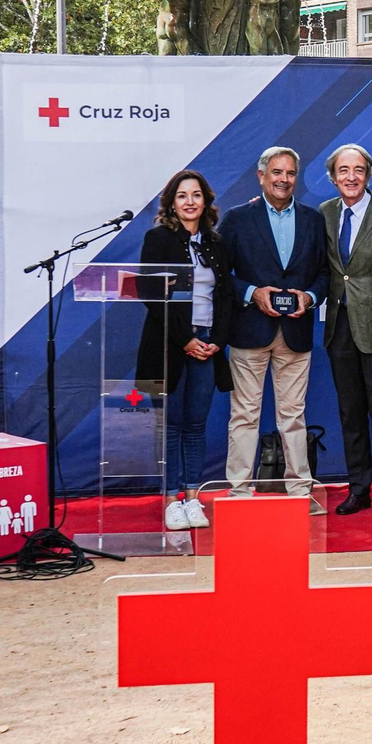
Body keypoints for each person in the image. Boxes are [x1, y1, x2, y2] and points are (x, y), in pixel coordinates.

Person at [218, 146, 330, 510]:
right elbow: (221, 276)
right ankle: (238, 491)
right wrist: (252, 292)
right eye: (277, 173)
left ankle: (300, 489)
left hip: (296, 336)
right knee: (245, 415)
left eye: (291, 173)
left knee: (293, 416)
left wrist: (309, 297)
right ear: (262, 176)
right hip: (250, 332)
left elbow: (324, 275)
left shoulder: (314, 220)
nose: (284, 180)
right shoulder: (237, 219)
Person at [136, 169, 236, 530]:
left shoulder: (216, 243)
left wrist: (215, 341)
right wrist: (185, 340)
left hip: (208, 342)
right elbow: (150, 294)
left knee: (195, 424)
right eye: (182, 196)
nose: (190, 202)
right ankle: (170, 501)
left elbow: (225, 297)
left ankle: (193, 497)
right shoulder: (157, 239)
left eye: (196, 195)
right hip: (169, 344)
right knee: (171, 425)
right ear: (171, 203)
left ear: (206, 201)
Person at [319, 144, 372, 519]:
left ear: (369, 174)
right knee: (350, 413)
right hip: (338, 329)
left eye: (358, 169)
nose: (351, 177)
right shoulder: (324, 213)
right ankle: (359, 489)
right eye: (343, 170)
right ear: (333, 176)